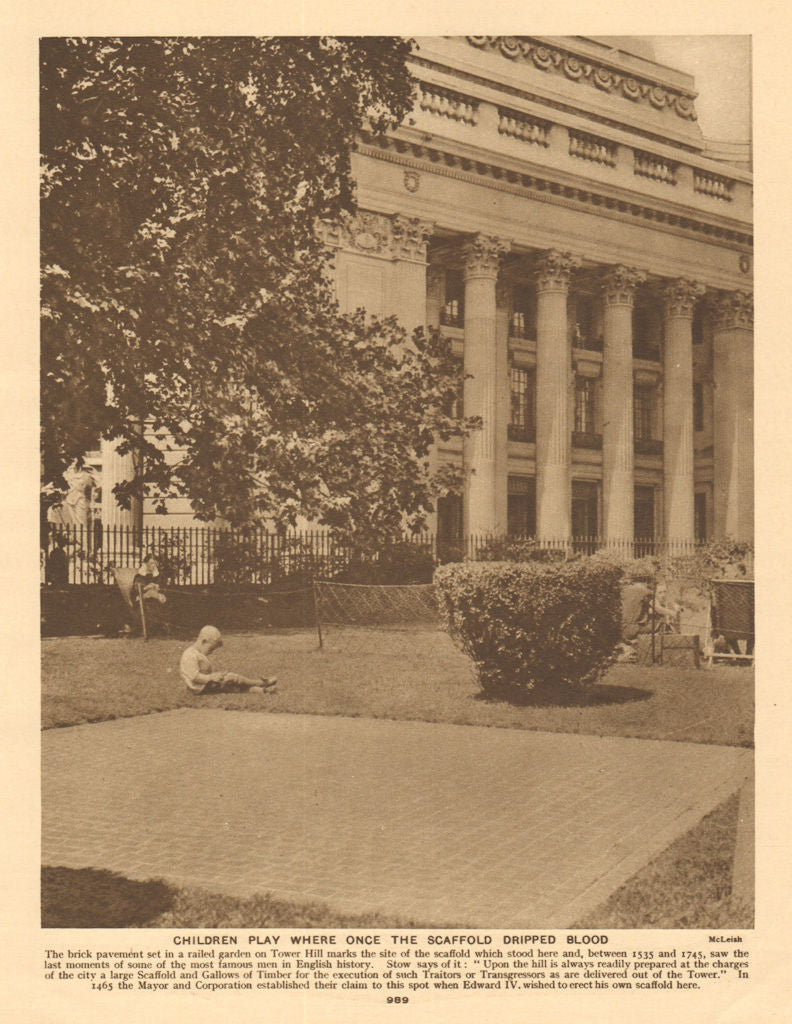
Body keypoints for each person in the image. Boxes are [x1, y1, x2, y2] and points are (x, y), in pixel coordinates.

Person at [180, 626, 277, 694]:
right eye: (211, 649)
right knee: (231, 678)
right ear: (203, 641)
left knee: (232, 687)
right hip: (199, 688)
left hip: (204, 684)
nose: (212, 652)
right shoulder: (189, 655)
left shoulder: (197, 653)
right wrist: (211, 678)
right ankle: (261, 683)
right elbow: (194, 677)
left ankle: (263, 690)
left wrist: (214, 676)